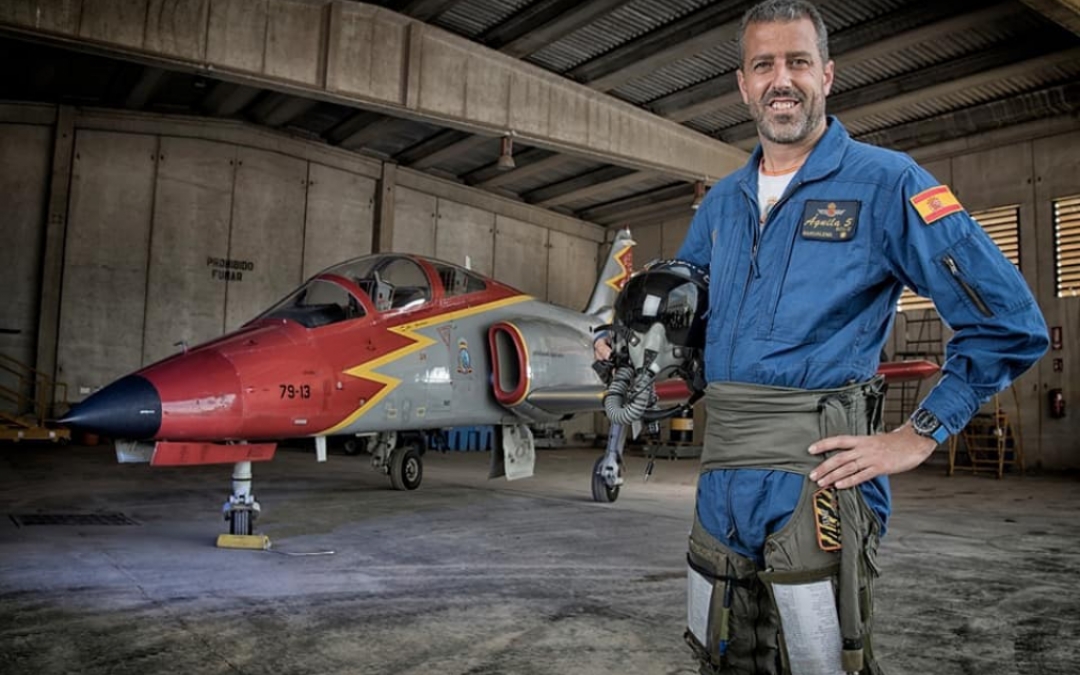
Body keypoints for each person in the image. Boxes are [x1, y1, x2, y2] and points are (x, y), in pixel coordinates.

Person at [598, 1, 1049, 673]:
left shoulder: (888, 183)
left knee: (822, 660)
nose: (781, 80)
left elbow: (1010, 323)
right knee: (721, 651)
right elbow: (691, 324)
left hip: (817, 477)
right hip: (721, 479)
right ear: (743, 85)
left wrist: (919, 433)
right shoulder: (721, 203)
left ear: (827, 75)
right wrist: (627, 350)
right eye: (764, 66)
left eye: (798, 62)